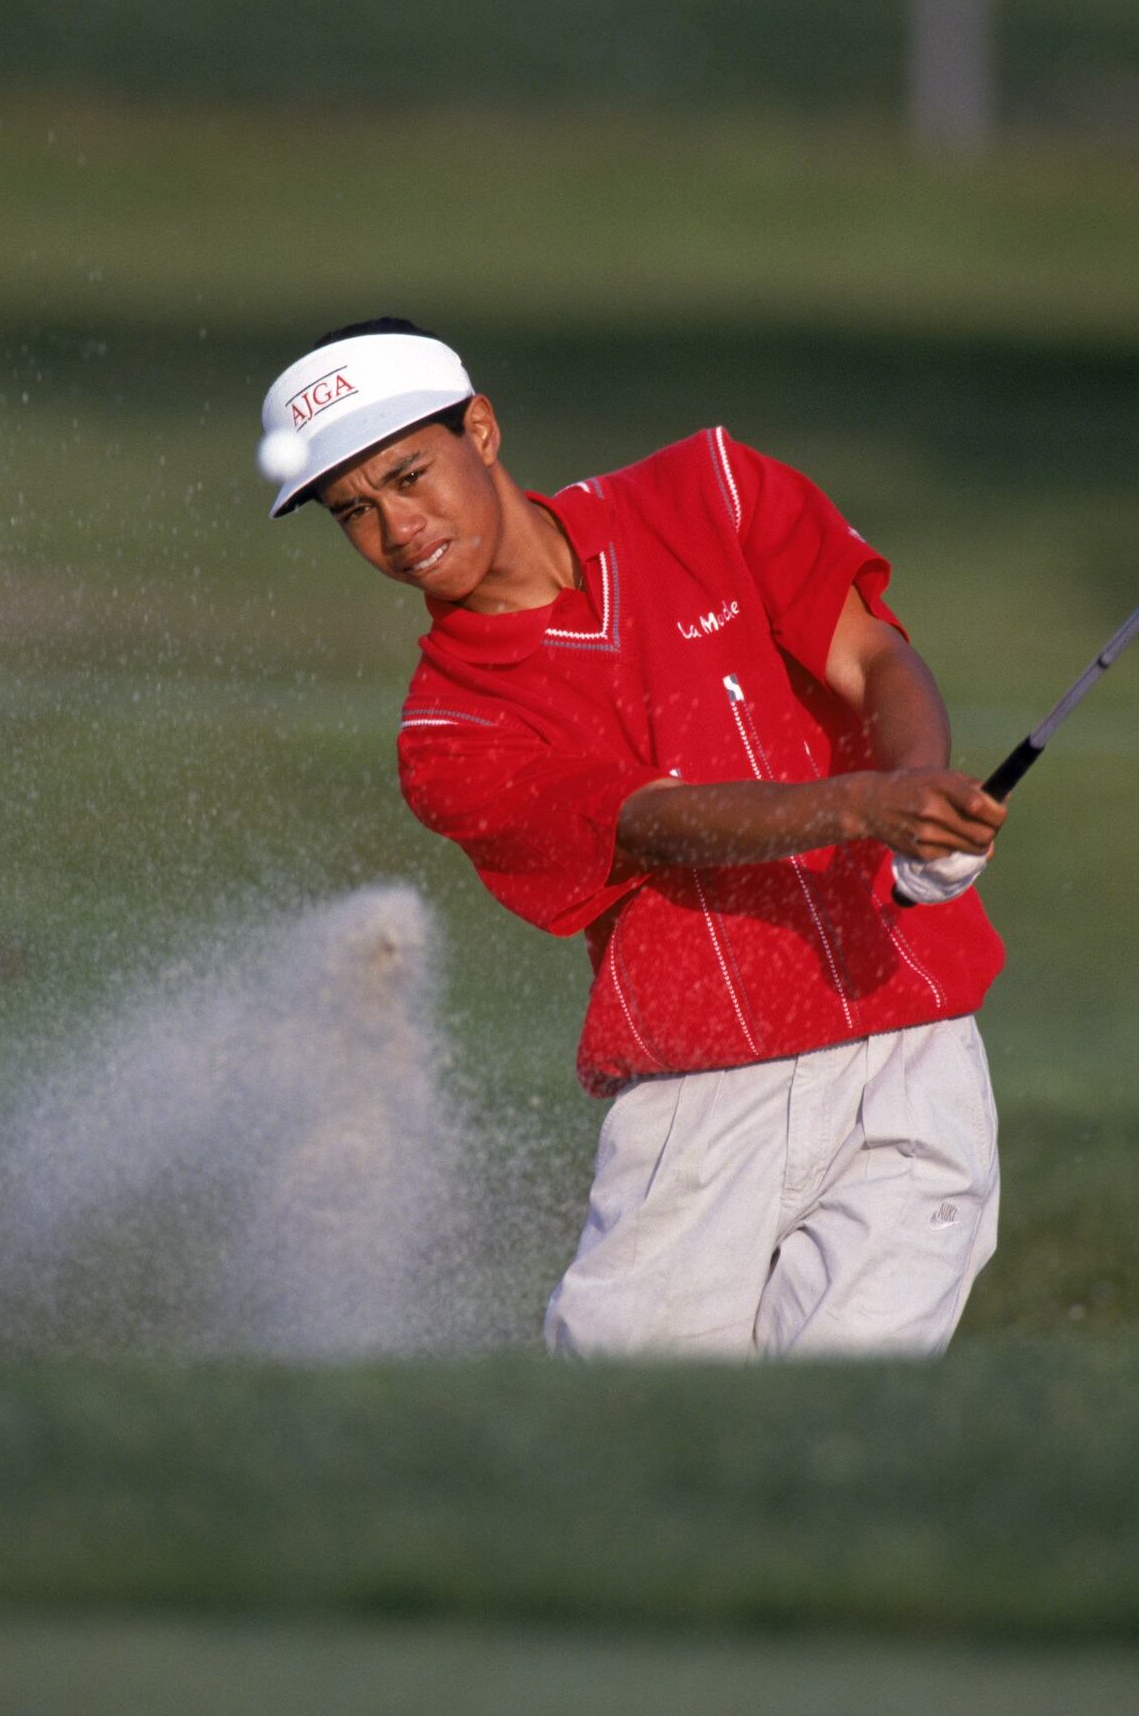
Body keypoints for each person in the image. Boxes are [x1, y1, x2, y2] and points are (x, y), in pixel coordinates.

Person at [257, 317, 1008, 1359]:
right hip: (701, 1109)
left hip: (910, 1047)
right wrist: (865, 806)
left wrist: (917, 790)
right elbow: (648, 822)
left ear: (480, 428)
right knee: (636, 1431)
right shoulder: (447, 734)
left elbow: (872, 657)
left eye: (409, 473)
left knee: (848, 1409)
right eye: (354, 511)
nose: (397, 527)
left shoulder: (709, 491)